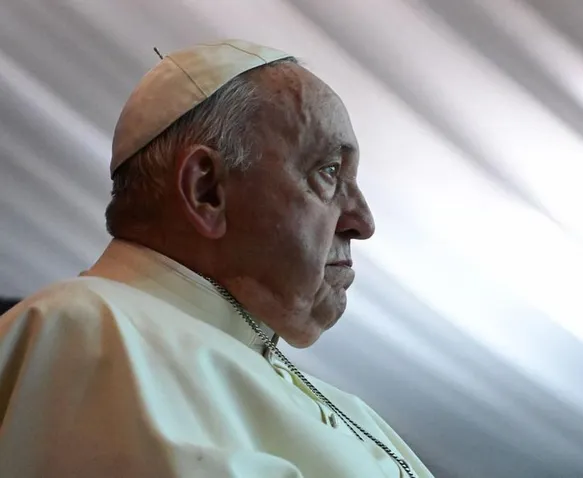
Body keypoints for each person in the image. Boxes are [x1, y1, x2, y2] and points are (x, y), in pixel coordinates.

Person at [0, 39, 433, 478]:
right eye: (329, 172)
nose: (363, 221)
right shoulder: (85, 331)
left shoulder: (348, 408)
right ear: (207, 191)